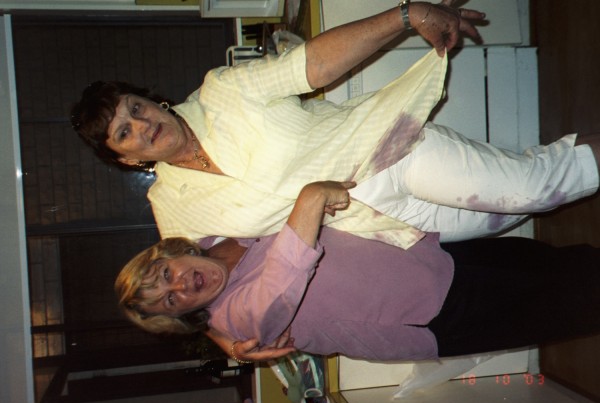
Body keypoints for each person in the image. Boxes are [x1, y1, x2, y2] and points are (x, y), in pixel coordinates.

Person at [70, 1, 600, 245]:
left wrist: (405, 15)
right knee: (507, 214)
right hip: (374, 224)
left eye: (135, 108)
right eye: (124, 133)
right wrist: (225, 335)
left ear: (152, 100)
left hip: (389, 151)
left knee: (534, 187)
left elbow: (315, 65)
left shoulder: (221, 92)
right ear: (126, 159)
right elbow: (215, 270)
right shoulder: (172, 211)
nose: (141, 124)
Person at [116, 180, 600, 363]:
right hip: (430, 314)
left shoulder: (223, 235)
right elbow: (279, 288)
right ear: (182, 316)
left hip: (432, 257)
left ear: (168, 253)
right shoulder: (235, 320)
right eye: (171, 301)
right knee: (574, 303)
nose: (181, 285)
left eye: (165, 275)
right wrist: (310, 199)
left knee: (559, 262)